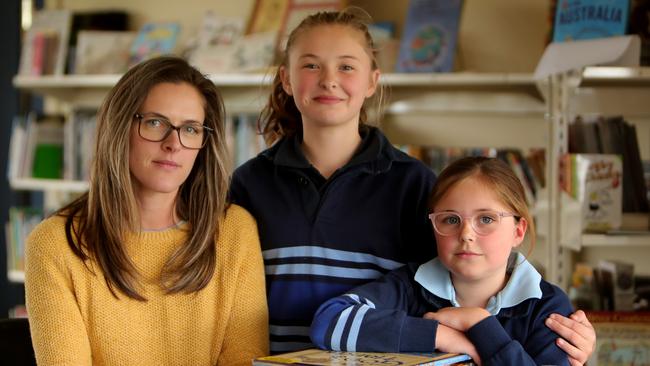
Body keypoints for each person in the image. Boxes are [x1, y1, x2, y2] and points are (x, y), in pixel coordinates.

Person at [229, 9, 595, 364]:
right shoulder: (248, 183)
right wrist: (449, 336)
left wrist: (571, 334)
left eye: (346, 66)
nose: (328, 79)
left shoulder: (415, 184)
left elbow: (467, 274)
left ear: (373, 80)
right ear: (286, 79)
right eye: (311, 65)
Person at [25, 57, 269, 366]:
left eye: (191, 129)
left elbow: (243, 360)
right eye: (155, 122)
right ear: (119, 127)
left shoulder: (234, 230)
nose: (173, 144)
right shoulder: (55, 245)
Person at [311, 156, 573, 366]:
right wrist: (440, 335)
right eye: (450, 219)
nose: (466, 235)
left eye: (486, 219)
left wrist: (480, 324)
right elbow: (328, 321)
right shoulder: (409, 286)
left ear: (518, 231)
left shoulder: (548, 307)